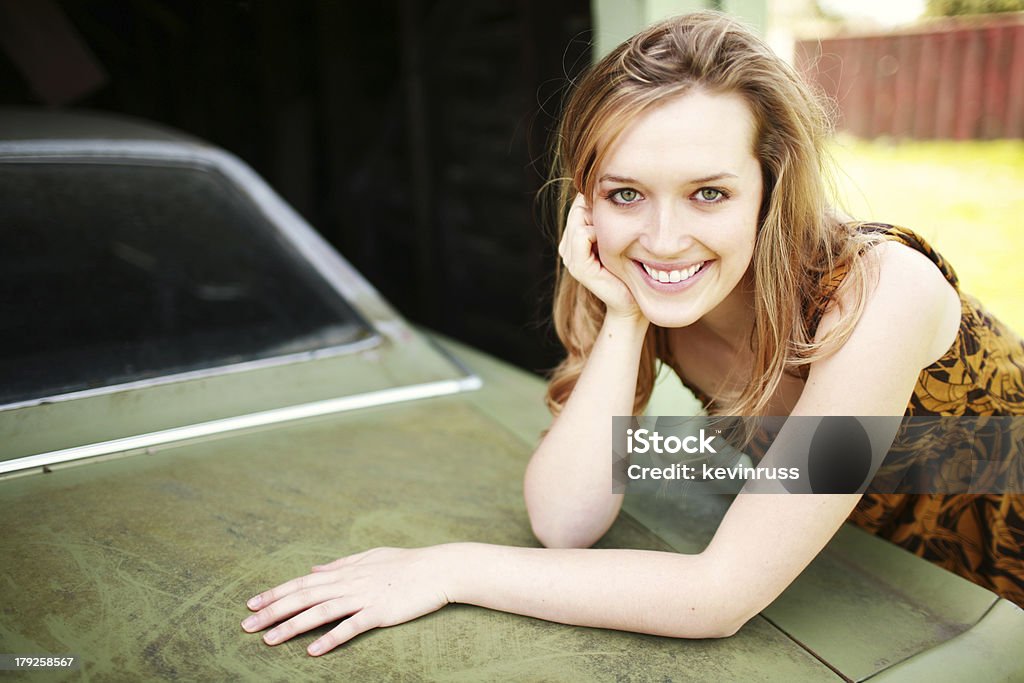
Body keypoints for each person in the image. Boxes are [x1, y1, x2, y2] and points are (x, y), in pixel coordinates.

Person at [241, 11, 1024, 656]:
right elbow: (564, 518)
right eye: (625, 193)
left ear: (769, 188)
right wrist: (623, 317)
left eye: (708, 192)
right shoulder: (658, 301)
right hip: (904, 585)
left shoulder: (879, 293)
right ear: (586, 200)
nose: (663, 238)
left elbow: (719, 594)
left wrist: (447, 567)